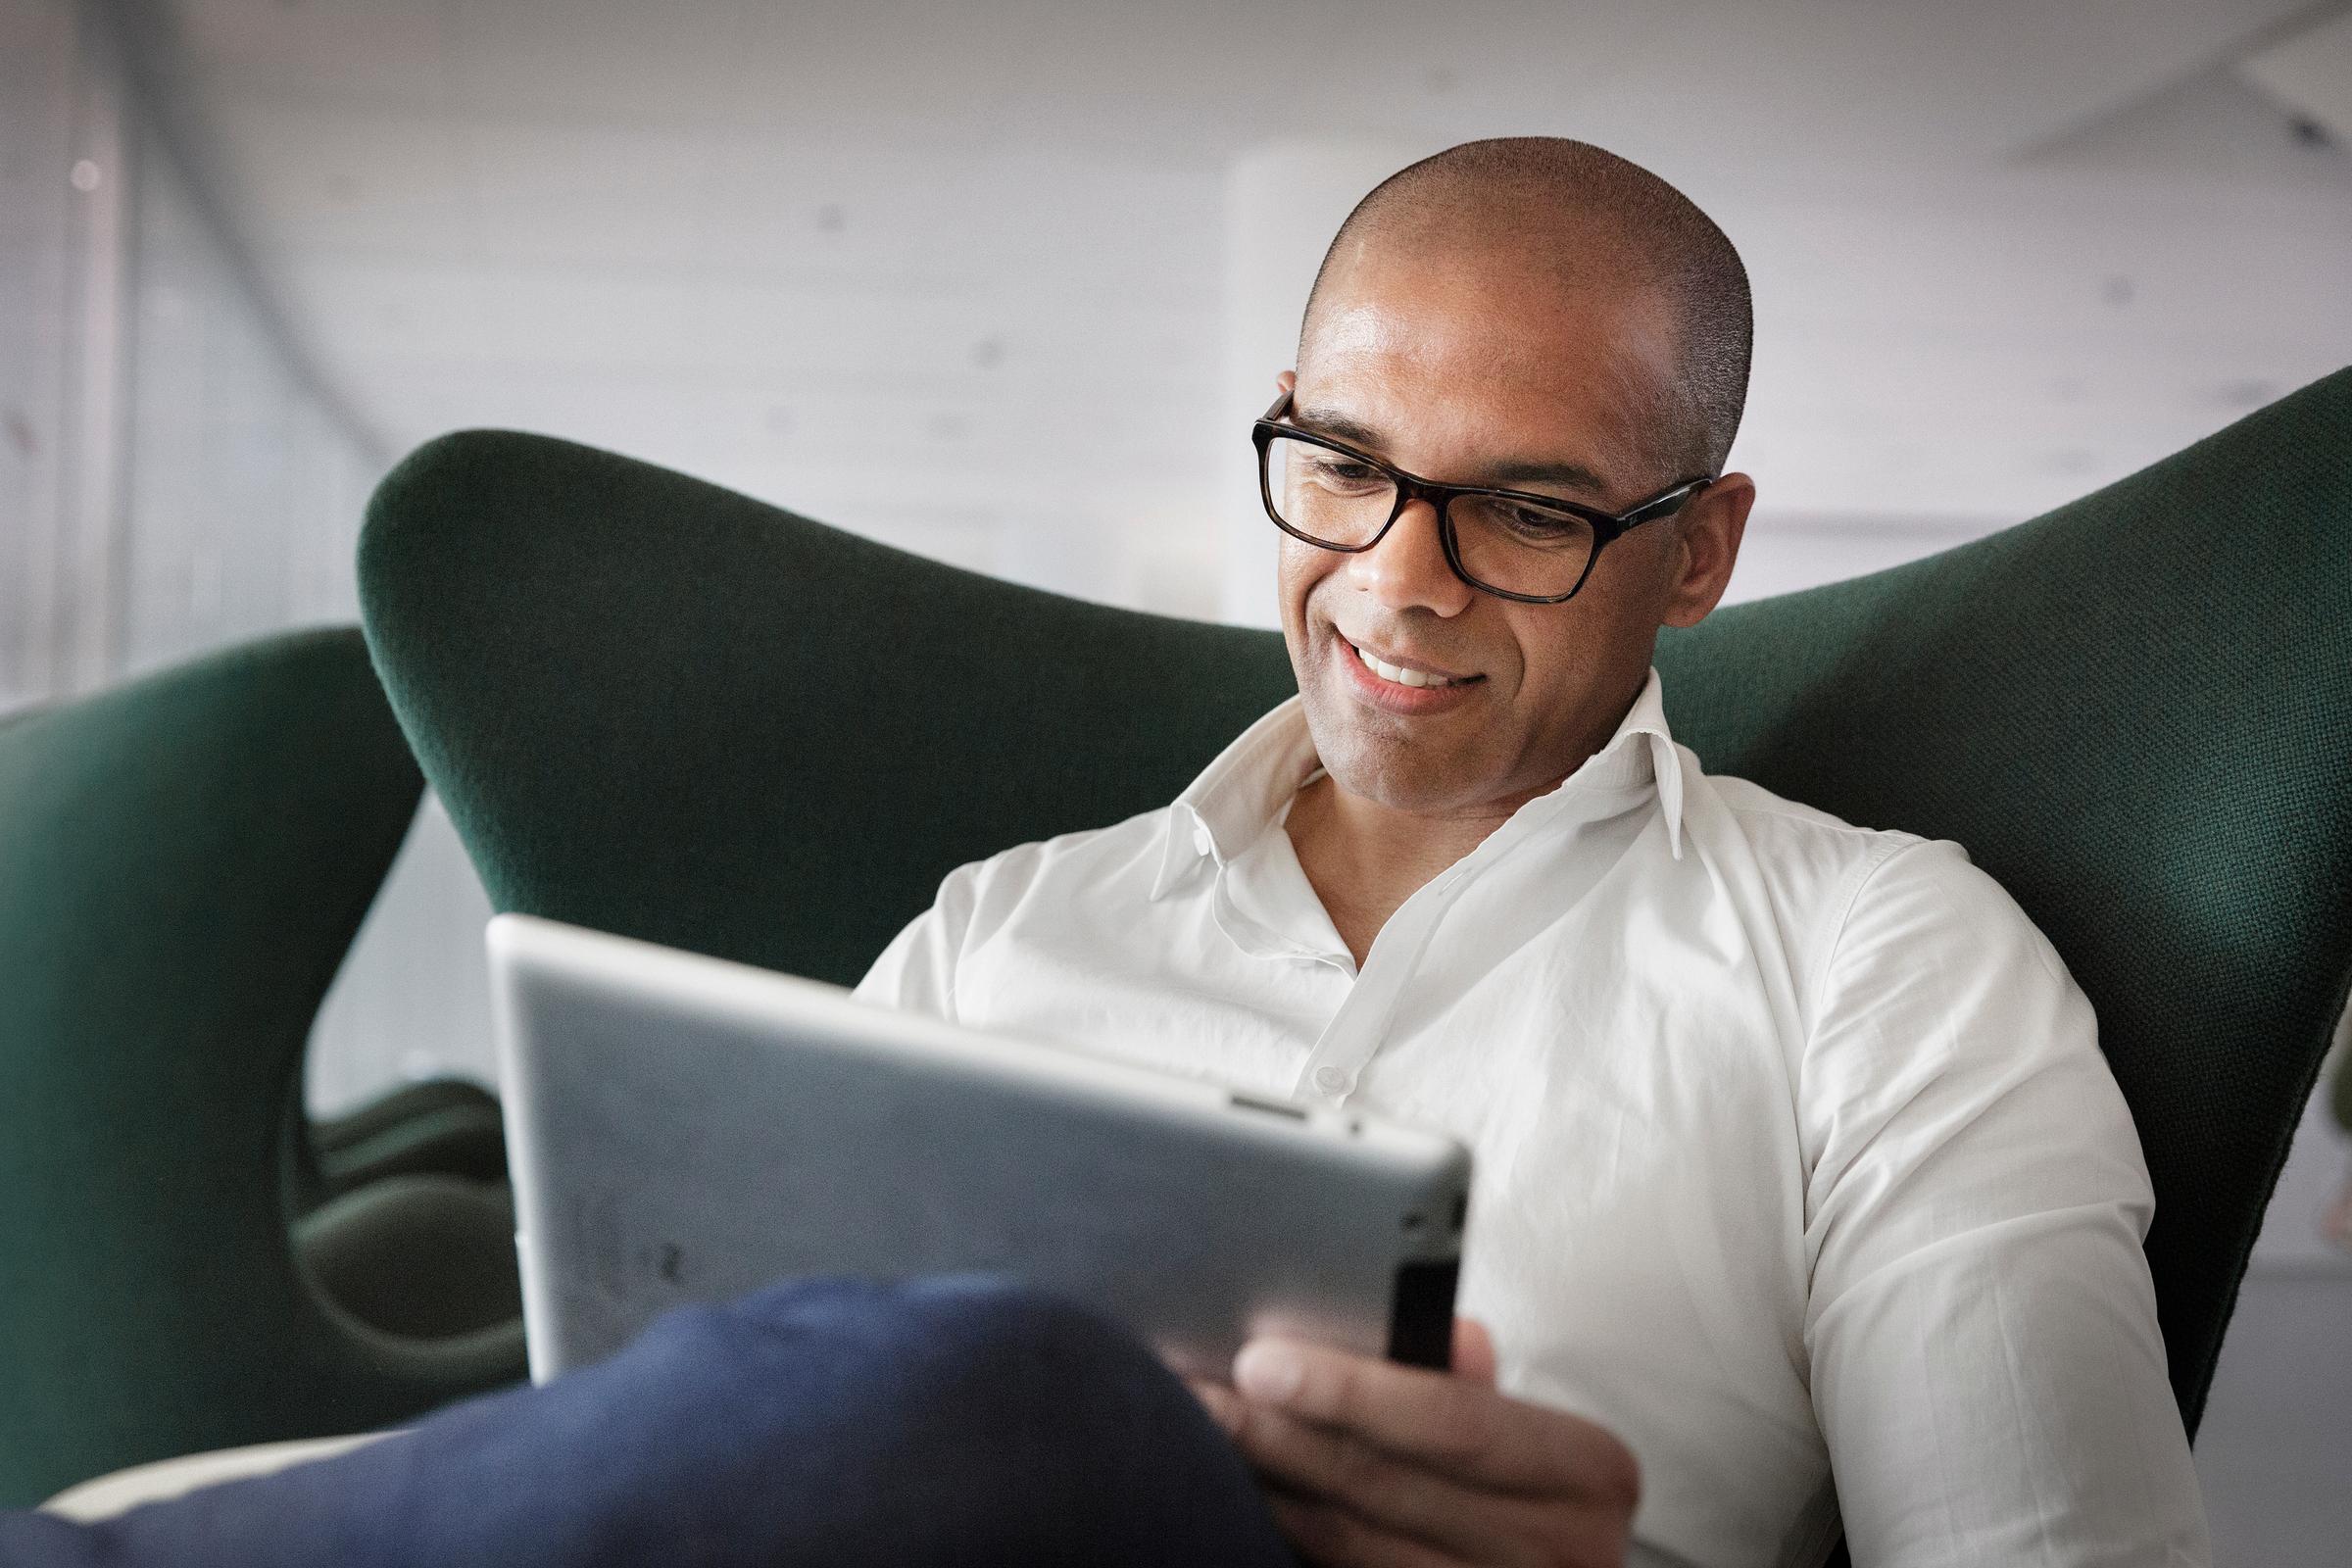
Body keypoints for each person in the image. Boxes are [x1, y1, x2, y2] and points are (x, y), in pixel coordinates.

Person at [3, 136, 2207, 1568]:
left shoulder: (1885, 960)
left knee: (1023, 1383)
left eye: (1527, 508)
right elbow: (704, 1430)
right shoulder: (1008, 928)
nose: (1398, 581)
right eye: (1341, 464)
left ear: (1698, 547)